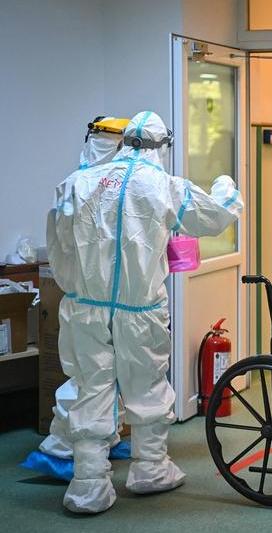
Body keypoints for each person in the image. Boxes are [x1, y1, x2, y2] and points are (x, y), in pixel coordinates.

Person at [46, 111, 243, 514]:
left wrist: (78, 288)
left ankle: (88, 486)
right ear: (162, 147)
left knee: (91, 386)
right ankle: (150, 469)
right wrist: (226, 186)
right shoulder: (164, 186)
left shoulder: (77, 183)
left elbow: (58, 247)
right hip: (139, 308)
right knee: (147, 382)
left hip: (85, 307)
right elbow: (216, 216)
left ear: (126, 140)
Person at [24, 117, 132, 481]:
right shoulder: (76, 188)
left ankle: (107, 438)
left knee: (107, 377)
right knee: (90, 379)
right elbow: (62, 248)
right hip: (90, 303)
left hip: (111, 302)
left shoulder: (103, 189)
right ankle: (61, 449)